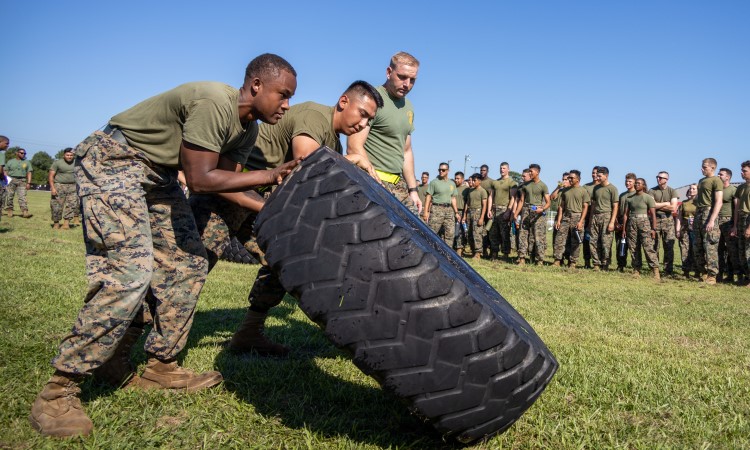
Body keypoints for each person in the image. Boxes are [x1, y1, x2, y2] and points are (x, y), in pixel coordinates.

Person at [29, 53, 300, 438]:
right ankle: (58, 392)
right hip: (114, 159)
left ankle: (159, 366)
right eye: (283, 94)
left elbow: (229, 184)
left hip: (157, 177)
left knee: (187, 265)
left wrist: (271, 205)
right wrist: (270, 174)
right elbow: (201, 179)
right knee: (129, 274)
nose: (286, 105)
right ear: (256, 85)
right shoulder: (215, 102)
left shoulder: (247, 130)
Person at [191, 80, 383, 357]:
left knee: (283, 263)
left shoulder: (334, 144)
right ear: (344, 102)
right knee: (190, 266)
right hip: (229, 191)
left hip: (261, 200)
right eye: (362, 114)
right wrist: (353, 160)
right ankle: (141, 340)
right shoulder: (315, 116)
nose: (363, 124)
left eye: (369, 120)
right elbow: (307, 165)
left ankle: (249, 333)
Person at [347, 52, 422, 214]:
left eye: (412, 80)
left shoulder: (408, 106)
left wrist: (413, 190)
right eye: (402, 77)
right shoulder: (371, 99)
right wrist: (375, 183)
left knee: (415, 228)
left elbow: (406, 150)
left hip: (399, 186)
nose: (407, 84)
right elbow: (354, 146)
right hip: (373, 182)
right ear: (389, 72)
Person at [693, 158, 724, 285]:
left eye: (705, 167)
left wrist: (711, 220)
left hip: (709, 212)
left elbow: (719, 202)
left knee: (710, 245)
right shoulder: (701, 181)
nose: (702, 169)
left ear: (713, 168)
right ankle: (703, 272)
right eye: (702, 166)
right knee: (697, 245)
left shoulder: (716, 180)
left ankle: (712, 275)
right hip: (699, 212)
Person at [623, 178, 660, 280]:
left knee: (648, 247)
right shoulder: (629, 198)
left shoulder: (647, 197)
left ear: (643, 185)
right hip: (632, 223)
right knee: (633, 247)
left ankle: (655, 270)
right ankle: (636, 269)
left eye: (639, 183)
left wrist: (653, 229)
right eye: (636, 183)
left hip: (644, 223)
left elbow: (653, 215)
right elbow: (626, 215)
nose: (636, 185)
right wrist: (624, 229)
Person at [514, 164, 550, 266]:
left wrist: (542, 209)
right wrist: (516, 213)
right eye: (529, 171)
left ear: (537, 172)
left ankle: (539, 260)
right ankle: (522, 258)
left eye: (531, 171)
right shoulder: (525, 185)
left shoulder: (543, 185)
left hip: (537, 212)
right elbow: (521, 201)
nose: (529, 173)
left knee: (538, 237)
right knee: (523, 235)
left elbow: (548, 202)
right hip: (526, 210)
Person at [553, 170, 589, 267]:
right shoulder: (565, 191)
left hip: (577, 216)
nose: (569, 179)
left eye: (571, 178)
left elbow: (585, 207)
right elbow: (561, 206)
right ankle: (557, 260)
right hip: (566, 217)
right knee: (559, 239)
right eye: (569, 178)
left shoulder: (583, 191)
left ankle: (573, 262)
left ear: (578, 179)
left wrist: (581, 221)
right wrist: (559, 220)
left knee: (575, 241)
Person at [647, 171, 679, 276]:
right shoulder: (652, 190)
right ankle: (654, 269)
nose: (658, 179)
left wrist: (657, 205)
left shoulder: (672, 191)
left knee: (668, 246)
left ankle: (668, 270)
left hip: (668, 221)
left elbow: (673, 208)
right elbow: (651, 205)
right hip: (655, 220)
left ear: (666, 179)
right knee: (654, 245)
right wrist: (666, 203)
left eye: (661, 177)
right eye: (657, 177)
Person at [423, 162, 460, 247]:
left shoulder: (452, 183)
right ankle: (428, 249)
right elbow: (428, 197)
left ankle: (447, 252)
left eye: (443, 170)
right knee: (432, 232)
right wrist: (425, 212)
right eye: (439, 170)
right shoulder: (434, 182)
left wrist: (456, 212)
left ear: (448, 171)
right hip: (437, 209)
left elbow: (453, 198)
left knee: (450, 233)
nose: (441, 171)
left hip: (449, 210)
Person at [589, 167, 618, 270]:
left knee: (606, 242)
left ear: (606, 176)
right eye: (597, 175)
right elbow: (593, 205)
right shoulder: (596, 188)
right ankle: (596, 264)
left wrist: (612, 222)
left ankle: (605, 264)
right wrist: (591, 220)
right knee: (593, 241)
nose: (597, 178)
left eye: (599, 176)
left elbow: (615, 206)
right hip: (596, 216)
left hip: (607, 216)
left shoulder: (612, 189)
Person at [487, 162, 517, 261]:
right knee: (493, 233)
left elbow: (513, 198)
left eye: (504, 168)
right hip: (494, 210)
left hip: (504, 209)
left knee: (504, 234)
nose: (502, 170)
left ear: (508, 169)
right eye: (501, 168)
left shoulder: (511, 182)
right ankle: (494, 253)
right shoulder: (495, 182)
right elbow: (491, 197)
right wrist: (489, 209)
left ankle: (505, 254)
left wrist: (508, 211)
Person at [717, 168, 740, 283]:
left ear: (728, 177)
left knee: (732, 250)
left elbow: (736, 209)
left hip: (728, 221)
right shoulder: (717, 189)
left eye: (721, 174)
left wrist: (735, 225)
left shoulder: (733, 190)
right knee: (718, 249)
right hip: (716, 221)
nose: (718, 176)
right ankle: (719, 274)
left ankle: (737, 275)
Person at [48, 148, 79, 229]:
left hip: (73, 186)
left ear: (73, 155)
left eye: (71, 155)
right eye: (67, 155)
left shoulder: (77, 163)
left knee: (71, 205)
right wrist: (53, 188)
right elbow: (51, 176)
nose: (69, 157)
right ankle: (56, 223)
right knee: (56, 206)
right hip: (59, 186)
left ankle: (66, 224)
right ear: (64, 155)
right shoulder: (57, 163)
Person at [731, 160, 750, 286]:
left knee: (749, 251)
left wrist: (749, 227)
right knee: (742, 251)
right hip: (741, 219)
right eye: (742, 171)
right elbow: (737, 207)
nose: (742, 173)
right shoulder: (741, 187)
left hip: (749, 219)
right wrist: (735, 225)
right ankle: (747, 277)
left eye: (745, 171)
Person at [615, 173, 639, 272]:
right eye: (626, 181)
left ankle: (635, 266)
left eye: (630, 181)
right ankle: (620, 265)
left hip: (632, 221)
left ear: (634, 182)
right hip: (621, 222)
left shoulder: (637, 194)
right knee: (620, 245)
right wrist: (617, 222)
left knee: (633, 246)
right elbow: (617, 209)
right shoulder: (622, 195)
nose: (627, 183)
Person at [461, 173, 488, 259]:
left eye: (474, 180)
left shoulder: (482, 191)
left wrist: (482, 218)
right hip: (470, 212)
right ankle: (473, 250)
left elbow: (484, 205)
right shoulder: (470, 191)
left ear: (479, 181)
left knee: (477, 233)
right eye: (472, 180)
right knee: (469, 233)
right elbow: (467, 203)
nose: (473, 182)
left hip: (478, 212)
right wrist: (464, 215)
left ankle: (478, 252)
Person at [3, 148, 33, 218]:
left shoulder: (27, 162)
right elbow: (5, 171)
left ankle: (25, 212)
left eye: (24, 153)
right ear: (17, 153)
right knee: (9, 196)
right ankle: (10, 210)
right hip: (11, 180)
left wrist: (29, 183)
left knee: (22, 197)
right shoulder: (10, 161)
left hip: (22, 180)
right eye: (21, 153)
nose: (23, 154)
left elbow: (29, 172)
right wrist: (6, 180)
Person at [676, 184, 697, 279]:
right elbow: (679, 217)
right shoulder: (684, 203)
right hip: (685, 228)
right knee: (684, 248)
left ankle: (697, 271)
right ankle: (686, 271)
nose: (691, 190)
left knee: (696, 249)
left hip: (696, 228)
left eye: (694, 189)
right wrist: (677, 230)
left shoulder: (700, 202)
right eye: (690, 188)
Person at [582, 166, 600, 268]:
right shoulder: (586, 187)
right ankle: (587, 261)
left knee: (598, 240)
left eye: (597, 173)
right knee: (586, 239)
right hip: (587, 214)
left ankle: (598, 262)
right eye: (593, 173)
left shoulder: (603, 187)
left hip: (599, 215)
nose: (594, 175)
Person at [478, 164, 494, 256]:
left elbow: (492, 197)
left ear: (487, 171)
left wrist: (490, 209)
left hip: (488, 210)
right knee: (480, 231)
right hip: (478, 210)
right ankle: (482, 250)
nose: (482, 172)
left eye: (484, 170)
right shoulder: (478, 181)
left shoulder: (491, 182)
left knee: (489, 231)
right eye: (481, 170)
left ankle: (491, 250)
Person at [453, 171, 468, 252]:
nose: (456, 180)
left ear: (462, 179)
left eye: (458, 178)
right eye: (455, 178)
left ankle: (459, 248)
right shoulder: (453, 187)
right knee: (453, 230)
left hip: (462, 211)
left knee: (460, 231)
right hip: (452, 211)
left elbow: (467, 202)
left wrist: (464, 214)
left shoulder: (466, 189)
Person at [0, 135, 8, 212]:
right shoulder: (1, 154)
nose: (7, 145)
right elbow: (0, 169)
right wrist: (4, 178)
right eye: (6, 143)